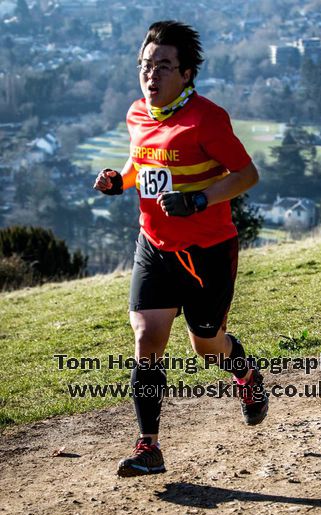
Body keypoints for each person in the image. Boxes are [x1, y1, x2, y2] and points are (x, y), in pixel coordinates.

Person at [93, 21, 268, 477]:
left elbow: (247, 175)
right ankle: (149, 446)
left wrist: (200, 199)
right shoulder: (136, 114)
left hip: (207, 251)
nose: (151, 75)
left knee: (206, 346)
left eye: (164, 66)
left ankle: (247, 377)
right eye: (145, 66)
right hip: (153, 245)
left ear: (187, 74)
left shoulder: (207, 119)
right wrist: (120, 181)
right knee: (146, 339)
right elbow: (140, 164)